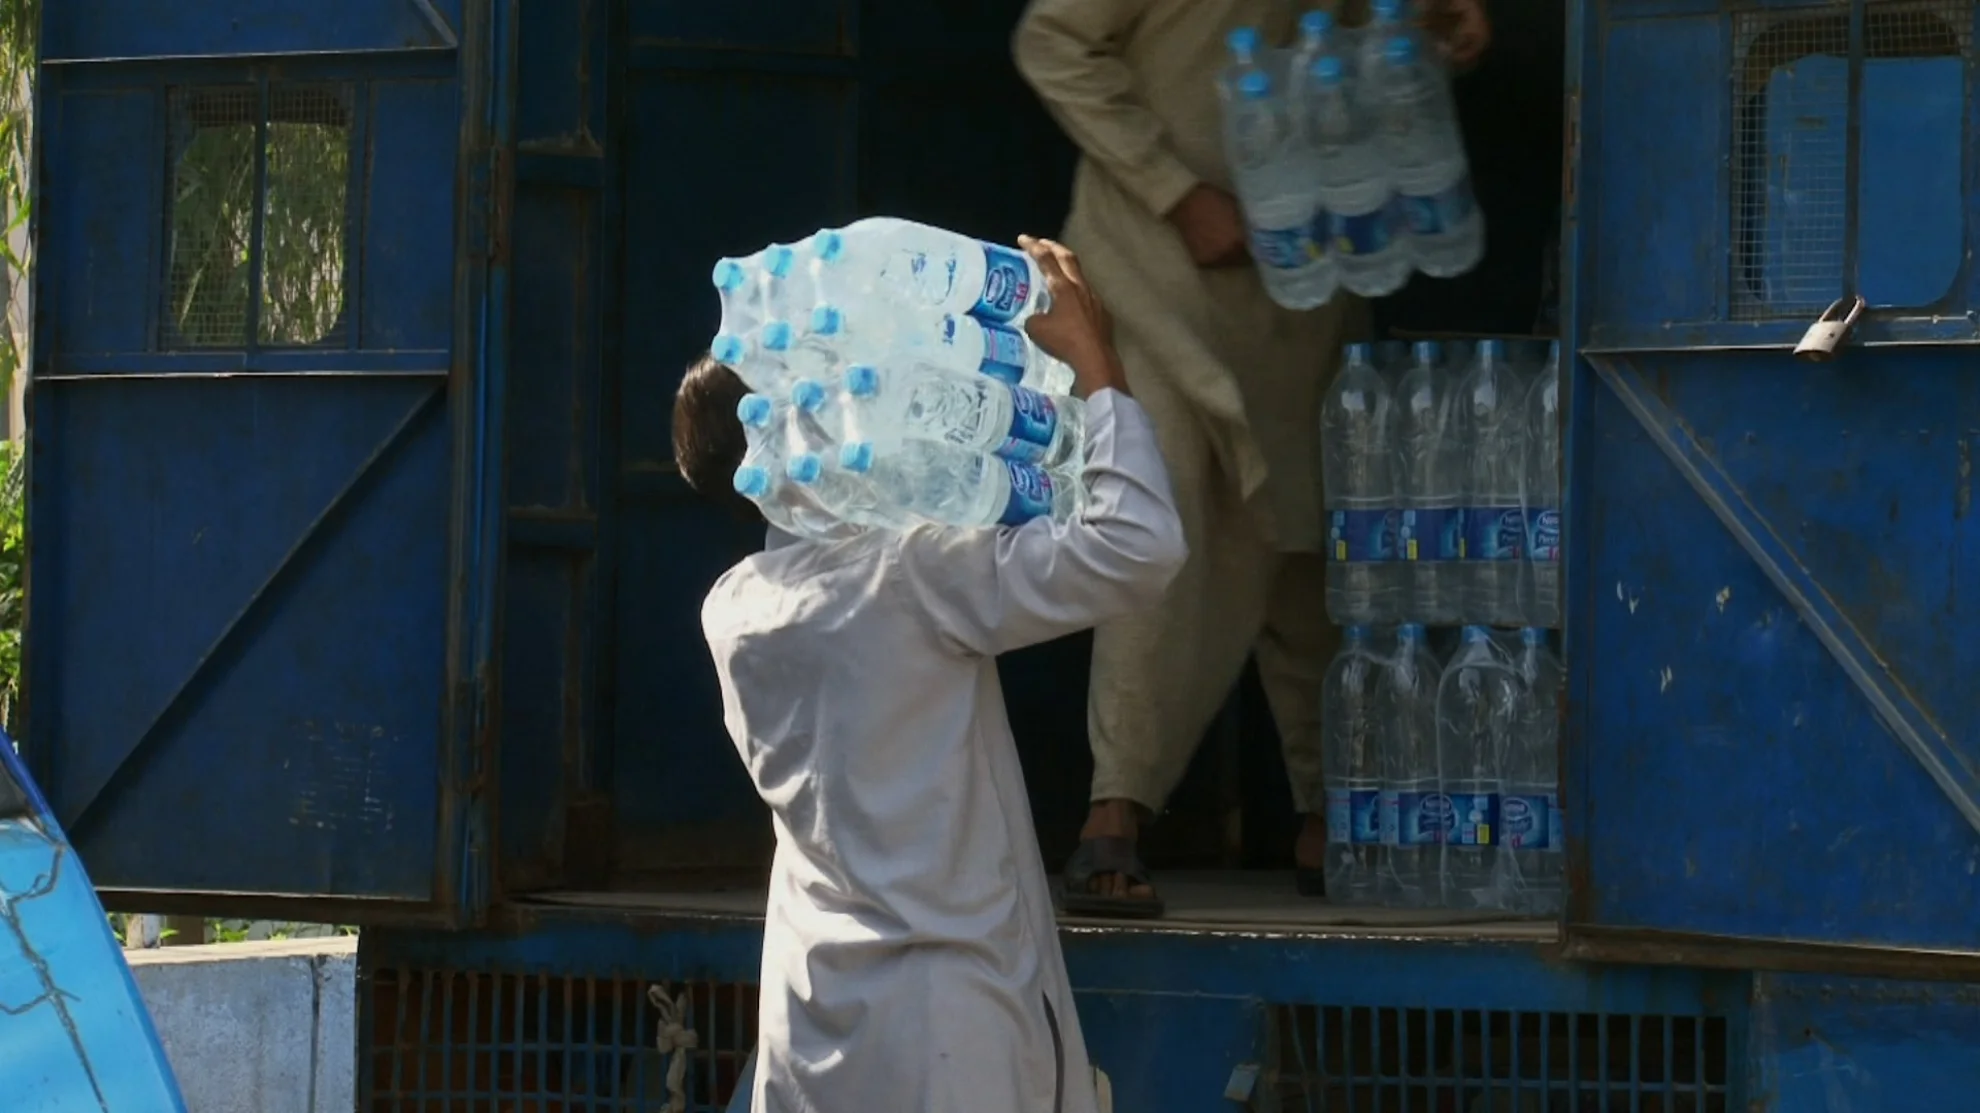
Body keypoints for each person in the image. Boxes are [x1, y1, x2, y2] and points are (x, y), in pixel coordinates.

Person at [684, 236, 1187, 1113]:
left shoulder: (734, 610)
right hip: (955, 1035)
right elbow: (1138, 545)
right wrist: (1095, 365)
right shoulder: (910, 576)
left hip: (813, 1023)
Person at [1013, 0, 1492, 917]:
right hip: (1153, 275)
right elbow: (1053, 41)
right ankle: (1113, 811)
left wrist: (1441, 38)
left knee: (1309, 536)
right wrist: (1173, 190)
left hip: (1303, 270)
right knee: (1161, 513)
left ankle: (1325, 810)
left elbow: (1376, 43)